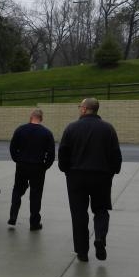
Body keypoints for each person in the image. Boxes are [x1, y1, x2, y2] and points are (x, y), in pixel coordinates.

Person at [58, 98, 122, 262]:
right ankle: (100, 237)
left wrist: (66, 170)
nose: (80, 108)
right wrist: (112, 172)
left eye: (80, 106)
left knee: (78, 213)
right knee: (101, 210)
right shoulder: (108, 129)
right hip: (101, 176)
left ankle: (82, 252)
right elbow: (115, 155)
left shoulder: (71, 128)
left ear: (85, 109)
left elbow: (63, 153)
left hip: (76, 177)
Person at [8, 108, 55, 230]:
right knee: (36, 194)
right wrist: (45, 166)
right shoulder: (47, 133)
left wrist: (17, 159)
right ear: (41, 118)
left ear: (31, 117)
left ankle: (13, 215)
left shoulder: (20, 130)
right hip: (38, 167)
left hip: (22, 165)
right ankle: (34, 223)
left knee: (17, 189)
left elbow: (12, 148)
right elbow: (51, 154)